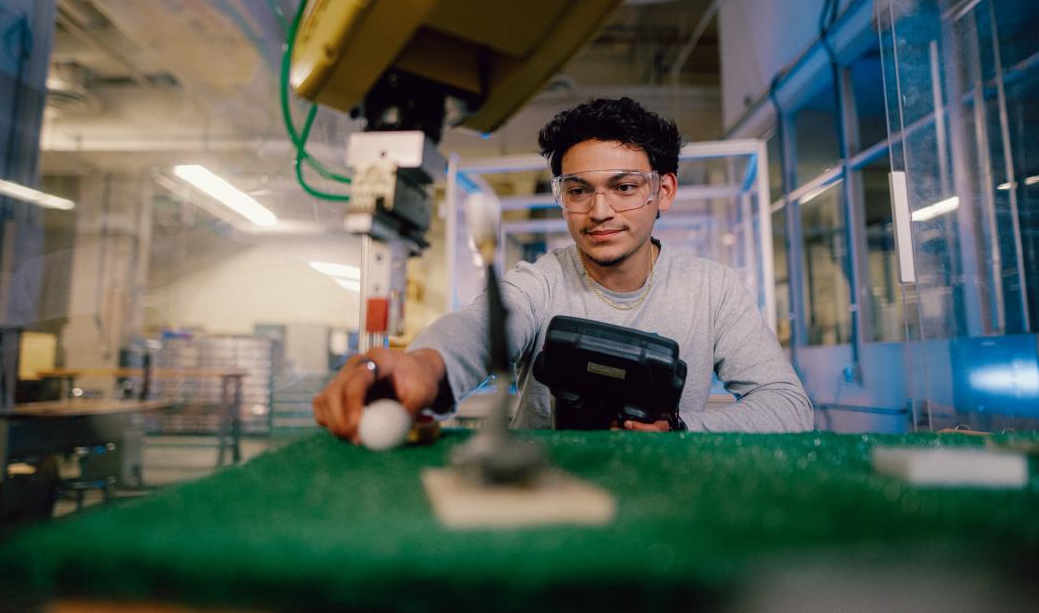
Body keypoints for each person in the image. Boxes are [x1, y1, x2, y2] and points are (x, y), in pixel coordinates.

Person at [314, 97, 813, 440]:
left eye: (623, 187)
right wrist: (424, 365)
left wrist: (680, 429)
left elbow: (789, 407)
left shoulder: (713, 290)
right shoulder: (540, 282)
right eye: (578, 190)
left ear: (663, 192)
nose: (599, 211)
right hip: (543, 500)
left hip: (665, 503)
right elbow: (483, 326)